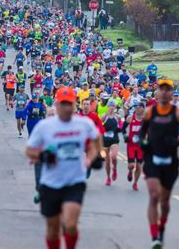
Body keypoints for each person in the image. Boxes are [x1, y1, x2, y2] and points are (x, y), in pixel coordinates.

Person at [25, 87, 100, 249]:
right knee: (53, 228)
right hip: (51, 183)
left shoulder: (84, 124)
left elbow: (96, 140)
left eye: (70, 104)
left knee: (70, 224)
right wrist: (44, 156)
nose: (66, 108)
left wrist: (91, 158)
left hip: (75, 182)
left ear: (75, 105)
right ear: (57, 104)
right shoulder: (45, 126)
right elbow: (29, 150)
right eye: (63, 104)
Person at [138, 78, 179, 248]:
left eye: (167, 89)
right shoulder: (150, 112)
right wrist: (143, 143)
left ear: (171, 93)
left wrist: (178, 143)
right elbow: (141, 133)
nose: (164, 92)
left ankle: (161, 227)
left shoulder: (177, 113)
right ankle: (155, 237)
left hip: (170, 161)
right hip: (152, 159)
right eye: (161, 89)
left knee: (165, 201)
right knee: (154, 196)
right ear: (157, 92)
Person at [25, 92, 47, 203]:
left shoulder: (40, 105)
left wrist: (42, 114)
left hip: (38, 121)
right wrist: (30, 114)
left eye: (36, 97)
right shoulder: (29, 104)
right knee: (32, 137)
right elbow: (26, 111)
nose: (35, 99)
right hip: (31, 122)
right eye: (34, 97)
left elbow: (43, 113)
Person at [101, 100, 122, 186]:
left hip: (114, 139)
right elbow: (99, 126)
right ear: (108, 107)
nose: (112, 108)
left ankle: (115, 169)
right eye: (110, 106)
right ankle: (108, 178)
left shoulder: (117, 117)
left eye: (113, 106)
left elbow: (121, 125)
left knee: (113, 156)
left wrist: (119, 128)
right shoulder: (104, 116)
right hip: (105, 141)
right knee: (107, 162)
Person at [125, 100, 145, 191]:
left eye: (138, 107)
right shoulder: (130, 118)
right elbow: (123, 128)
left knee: (139, 166)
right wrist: (125, 135)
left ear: (142, 108)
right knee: (132, 165)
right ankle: (130, 172)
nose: (136, 109)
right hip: (131, 145)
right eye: (135, 107)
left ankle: (135, 183)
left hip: (141, 146)